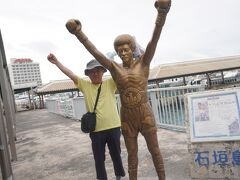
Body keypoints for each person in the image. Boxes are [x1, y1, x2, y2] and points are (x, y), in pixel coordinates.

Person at [65, 0, 171, 179]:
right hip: (127, 116)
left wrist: (162, 13)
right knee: (132, 154)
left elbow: (155, 39)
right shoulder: (115, 68)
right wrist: (78, 33)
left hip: (145, 112)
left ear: (132, 49)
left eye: (126, 49)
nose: (123, 53)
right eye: (119, 50)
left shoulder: (144, 63)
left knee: (155, 150)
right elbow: (95, 52)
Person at [47, 53, 125, 180]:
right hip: (96, 131)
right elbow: (70, 73)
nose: (95, 74)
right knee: (99, 159)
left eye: (98, 71)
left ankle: (118, 176)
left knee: (116, 154)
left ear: (103, 72)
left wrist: (113, 59)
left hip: (114, 127)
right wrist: (57, 62)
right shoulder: (85, 85)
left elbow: (120, 69)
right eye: (92, 72)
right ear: (88, 74)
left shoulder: (110, 83)